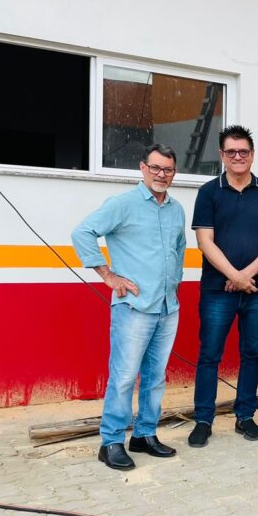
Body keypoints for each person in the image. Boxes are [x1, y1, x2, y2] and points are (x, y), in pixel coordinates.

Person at [71, 144, 187, 471]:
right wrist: (108, 276)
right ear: (143, 168)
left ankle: (145, 434)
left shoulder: (176, 210)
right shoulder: (123, 204)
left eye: (168, 169)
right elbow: (82, 233)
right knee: (123, 377)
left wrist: (173, 283)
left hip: (167, 307)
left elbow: (179, 248)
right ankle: (111, 442)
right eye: (156, 168)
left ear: (174, 173)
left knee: (155, 377)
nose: (161, 174)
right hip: (134, 307)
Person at [188, 125, 258, 448]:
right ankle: (203, 420)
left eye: (244, 151)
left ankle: (245, 416)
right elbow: (205, 241)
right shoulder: (208, 192)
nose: (238, 156)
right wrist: (234, 275)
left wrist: (246, 276)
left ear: (252, 155)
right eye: (231, 151)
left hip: (257, 291)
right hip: (217, 290)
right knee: (209, 355)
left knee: (251, 354)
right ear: (222, 155)